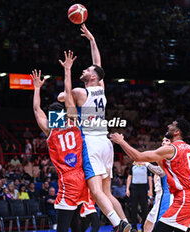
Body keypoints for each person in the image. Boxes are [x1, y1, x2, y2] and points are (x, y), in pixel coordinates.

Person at [57, 25, 131, 232]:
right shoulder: (101, 89)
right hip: (106, 144)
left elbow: (63, 97)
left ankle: (118, 223)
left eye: (87, 70)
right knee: (107, 194)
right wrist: (92, 40)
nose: (85, 69)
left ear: (92, 77)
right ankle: (129, 226)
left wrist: (67, 71)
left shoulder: (81, 92)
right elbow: (98, 64)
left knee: (96, 192)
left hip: (91, 144)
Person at [31, 50, 90, 232]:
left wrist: (37, 87)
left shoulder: (50, 129)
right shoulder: (73, 120)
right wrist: (67, 69)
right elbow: (68, 94)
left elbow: (36, 109)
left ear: (52, 116)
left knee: (62, 228)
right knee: (75, 224)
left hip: (68, 179)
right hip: (82, 177)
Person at [111, 119, 190, 232]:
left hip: (184, 199)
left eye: (172, 125)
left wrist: (121, 142)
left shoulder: (171, 149)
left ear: (177, 131)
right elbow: (173, 171)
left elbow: (138, 157)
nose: (168, 126)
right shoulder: (189, 148)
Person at [144, 137, 173, 232]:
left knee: (160, 224)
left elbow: (160, 171)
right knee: (148, 223)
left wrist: (145, 162)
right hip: (159, 194)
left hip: (166, 195)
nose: (163, 142)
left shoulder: (170, 158)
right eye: (163, 140)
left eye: (167, 140)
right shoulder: (163, 157)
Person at [126, 161, 153, 231]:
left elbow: (149, 179)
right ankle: (134, 226)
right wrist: (127, 189)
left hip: (144, 188)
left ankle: (144, 225)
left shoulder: (146, 166)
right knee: (134, 208)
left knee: (145, 208)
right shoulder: (133, 166)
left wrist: (150, 190)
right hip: (134, 188)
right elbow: (129, 177)